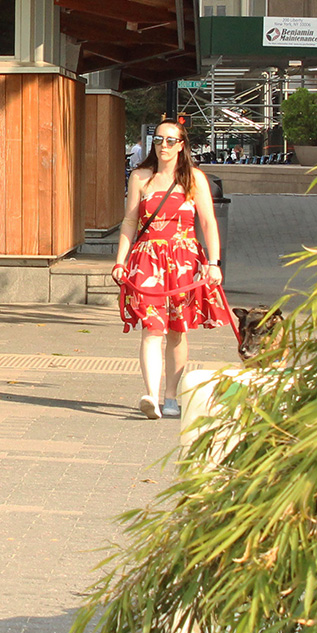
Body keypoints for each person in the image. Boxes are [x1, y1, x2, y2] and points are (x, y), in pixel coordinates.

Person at [112, 121, 234, 419]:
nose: (163, 146)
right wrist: (120, 260)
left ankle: (170, 397)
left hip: (184, 260)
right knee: (152, 328)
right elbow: (130, 221)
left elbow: (207, 223)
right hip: (147, 258)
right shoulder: (141, 178)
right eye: (158, 140)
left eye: (170, 141)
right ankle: (151, 396)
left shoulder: (194, 178)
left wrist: (213, 263)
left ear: (181, 145)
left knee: (177, 331)